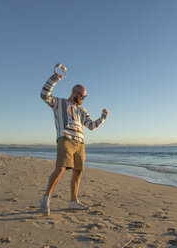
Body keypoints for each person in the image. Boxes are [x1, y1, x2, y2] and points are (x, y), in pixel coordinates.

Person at [39, 72, 108, 215]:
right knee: (61, 168)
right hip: (65, 139)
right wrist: (55, 78)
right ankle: (46, 198)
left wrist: (103, 118)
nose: (83, 98)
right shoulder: (59, 103)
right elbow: (44, 95)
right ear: (74, 92)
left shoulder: (83, 110)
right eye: (82, 96)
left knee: (78, 171)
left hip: (80, 143)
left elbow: (91, 126)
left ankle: (73, 201)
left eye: (85, 96)